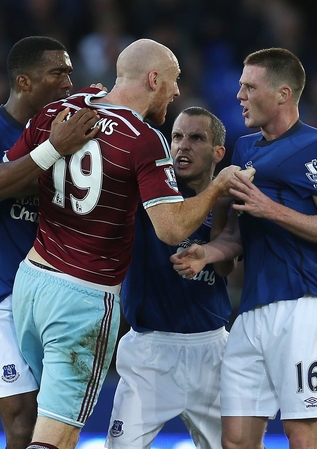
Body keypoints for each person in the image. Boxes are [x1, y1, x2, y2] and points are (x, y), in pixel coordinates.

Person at [0, 39, 252, 449]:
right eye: (173, 81)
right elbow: (170, 229)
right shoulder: (144, 139)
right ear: (154, 79)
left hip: (30, 282)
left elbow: (15, 173)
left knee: (32, 421)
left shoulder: (61, 111)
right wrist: (218, 187)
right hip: (82, 298)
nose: (176, 91)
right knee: (55, 437)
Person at [171, 48, 317, 449]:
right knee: (234, 439)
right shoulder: (245, 149)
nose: (239, 96)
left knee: (301, 433)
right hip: (251, 311)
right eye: (240, 86)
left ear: (283, 94)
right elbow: (238, 234)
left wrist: (270, 209)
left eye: (249, 87)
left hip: (305, 305)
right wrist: (208, 253)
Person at [0, 36, 100, 449]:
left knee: (57, 422)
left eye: (70, 71)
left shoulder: (75, 134)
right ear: (25, 81)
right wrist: (55, 149)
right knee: (22, 417)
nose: (69, 82)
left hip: (57, 298)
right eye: (59, 72)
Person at [105, 107, 236, 449]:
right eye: (177, 137)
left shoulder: (228, 204)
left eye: (196, 138)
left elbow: (226, 268)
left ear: (218, 152)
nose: (183, 147)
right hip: (149, 351)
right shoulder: (148, 195)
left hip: (212, 349)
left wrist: (219, 206)